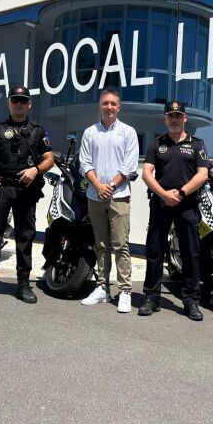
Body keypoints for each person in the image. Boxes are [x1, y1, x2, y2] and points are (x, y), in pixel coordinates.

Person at [0, 86, 54, 305]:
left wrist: (35, 170)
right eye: (15, 100)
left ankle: (23, 285)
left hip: (26, 189)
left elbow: (49, 159)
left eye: (23, 100)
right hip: (0, 186)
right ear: (8, 103)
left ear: (29, 104)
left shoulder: (38, 130)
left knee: (25, 235)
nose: (18, 103)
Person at [139, 101, 209, 321]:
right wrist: (164, 194)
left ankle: (191, 301)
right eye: (171, 116)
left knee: (190, 252)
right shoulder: (156, 144)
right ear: (165, 119)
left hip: (186, 205)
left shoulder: (197, 144)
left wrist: (180, 193)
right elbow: (147, 174)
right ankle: (151, 297)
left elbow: (202, 174)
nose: (175, 119)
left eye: (178, 115)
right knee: (155, 251)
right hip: (160, 204)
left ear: (185, 118)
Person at [78, 89, 139, 313]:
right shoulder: (89, 133)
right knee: (101, 245)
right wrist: (98, 185)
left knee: (120, 244)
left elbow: (129, 165)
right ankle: (103, 288)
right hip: (95, 196)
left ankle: (125, 291)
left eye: (113, 103)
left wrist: (110, 186)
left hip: (118, 196)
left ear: (119, 107)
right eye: (105, 103)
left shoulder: (128, 132)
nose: (109, 107)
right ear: (99, 106)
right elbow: (84, 162)